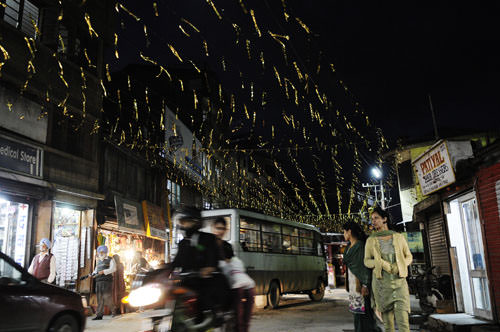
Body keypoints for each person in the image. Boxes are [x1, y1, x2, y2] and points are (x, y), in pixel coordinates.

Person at [364, 207, 413, 332]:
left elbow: (409, 256)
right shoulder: (371, 240)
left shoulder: (398, 237)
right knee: (388, 326)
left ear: (384, 219)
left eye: (376, 218)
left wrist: (400, 266)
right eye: (372, 219)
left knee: (404, 324)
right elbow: (366, 261)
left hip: (399, 283)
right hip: (382, 286)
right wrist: (379, 263)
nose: (373, 221)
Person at [170, 207, 221, 313]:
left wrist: (208, 268)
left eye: (185, 222)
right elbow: (176, 263)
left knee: (203, 306)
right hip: (186, 282)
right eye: (181, 222)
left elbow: (212, 258)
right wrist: (163, 269)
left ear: (195, 222)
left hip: (204, 281)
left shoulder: (208, 238)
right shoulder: (183, 243)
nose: (182, 225)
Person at [342, 222, 381, 332]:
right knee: (356, 312)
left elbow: (363, 267)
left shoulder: (359, 246)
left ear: (349, 231)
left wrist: (365, 284)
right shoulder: (349, 246)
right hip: (352, 284)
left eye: (344, 232)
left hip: (360, 283)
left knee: (364, 313)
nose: (343, 234)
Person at [219, 244, 255, 332]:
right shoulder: (238, 261)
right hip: (250, 285)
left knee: (238, 313)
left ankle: (239, 328)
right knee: (247, 316)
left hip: (237, 288)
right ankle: (244, 329)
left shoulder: (222, 264)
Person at [92, 245, 117, 320]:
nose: (101, 253)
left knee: (107, 297)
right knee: (99, 298)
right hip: (98, 281)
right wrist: (93, 274)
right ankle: (99, 315)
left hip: (107, 281)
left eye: (102, 252)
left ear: (106, 252)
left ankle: (113, 310)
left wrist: (104, 272)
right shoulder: (98, 260)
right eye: (100, 252)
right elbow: (96, 270)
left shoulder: (110, 259)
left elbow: (113, 269)